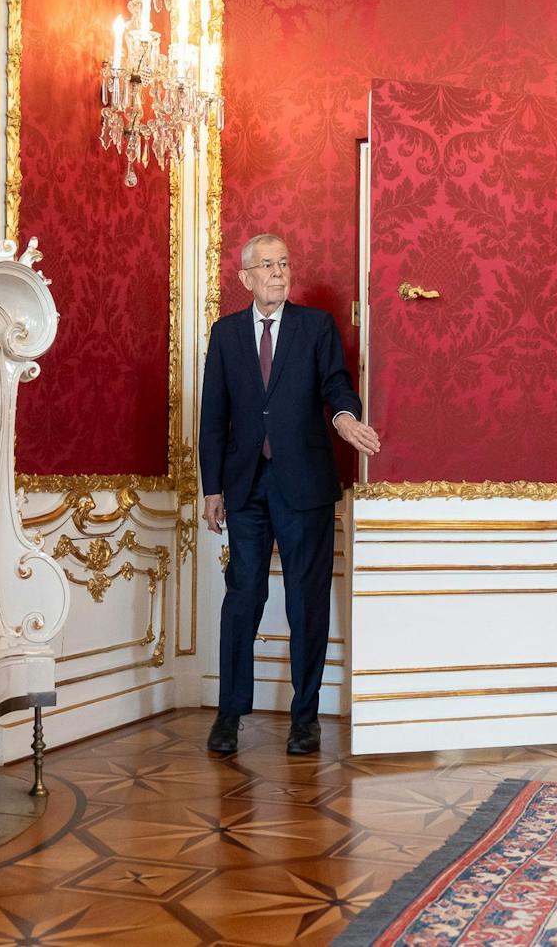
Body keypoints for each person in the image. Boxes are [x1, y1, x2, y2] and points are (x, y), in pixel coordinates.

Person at [199, 233, 380, 755]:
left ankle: (305, 718)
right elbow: (214, 416)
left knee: (306, 603)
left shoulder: (315, 327)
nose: (278, 273)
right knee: (243, 598)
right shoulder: (227, 334)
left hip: (304, 486)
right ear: (246, 279)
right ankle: (229, 714)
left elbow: (337, 386)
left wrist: (345, 417)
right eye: (267, 266)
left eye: (284, 264)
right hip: (246, 486)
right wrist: (213, 488)